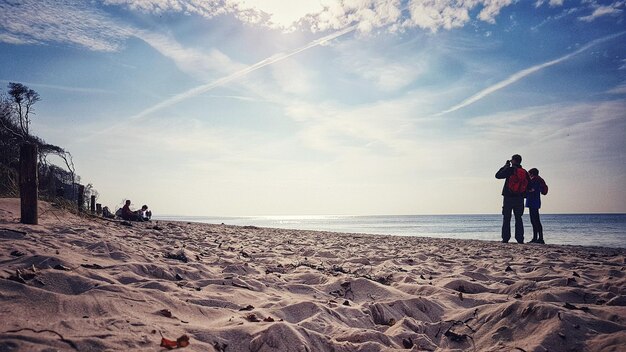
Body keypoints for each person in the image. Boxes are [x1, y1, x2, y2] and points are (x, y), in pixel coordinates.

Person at [495, 154, 529, 243]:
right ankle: (520, 239)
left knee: (507, 218)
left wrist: (505, 166)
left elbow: (498, 175)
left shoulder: (510, 170)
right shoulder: (524, 172)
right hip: (519, 198)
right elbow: (528, 185)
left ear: (513, 161)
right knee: (519, 218)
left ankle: (505, 238)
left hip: (508, 197)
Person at [526, 168, 548, 244]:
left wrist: (525, 190)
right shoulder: (537, 180)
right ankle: (536, 238)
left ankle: (539, 238)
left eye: (529, 173)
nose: (528, 175)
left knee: (535, 220)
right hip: (534, 201)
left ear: (532, 173)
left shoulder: (535, 180)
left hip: (533, 201)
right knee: (534, 220)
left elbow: (532, 189)